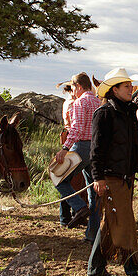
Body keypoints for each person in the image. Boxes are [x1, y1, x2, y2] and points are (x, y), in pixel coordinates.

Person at [87, 67, 138, 276]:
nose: (130, 89)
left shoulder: (128, 112)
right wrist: (98, 178)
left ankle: (95, 269)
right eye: (126, 86)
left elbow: (133, 141)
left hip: (125, 178)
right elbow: (96, 150)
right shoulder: (103, 114)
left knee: (110, 224)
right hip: (110, 178)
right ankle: (134, 273)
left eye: (130, 85)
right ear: (114, 90)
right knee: (125, 224)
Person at [52, 73, 97, 230]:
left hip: (81, 147)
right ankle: (92, 232)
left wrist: (65, 148)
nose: (72, 92)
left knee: (59, 179)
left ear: (78, 86)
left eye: (72, 88)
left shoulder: (79, 103)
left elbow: (76, 129)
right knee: (92, 190)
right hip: (96, 149)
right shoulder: (98, 102)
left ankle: (79, 207)